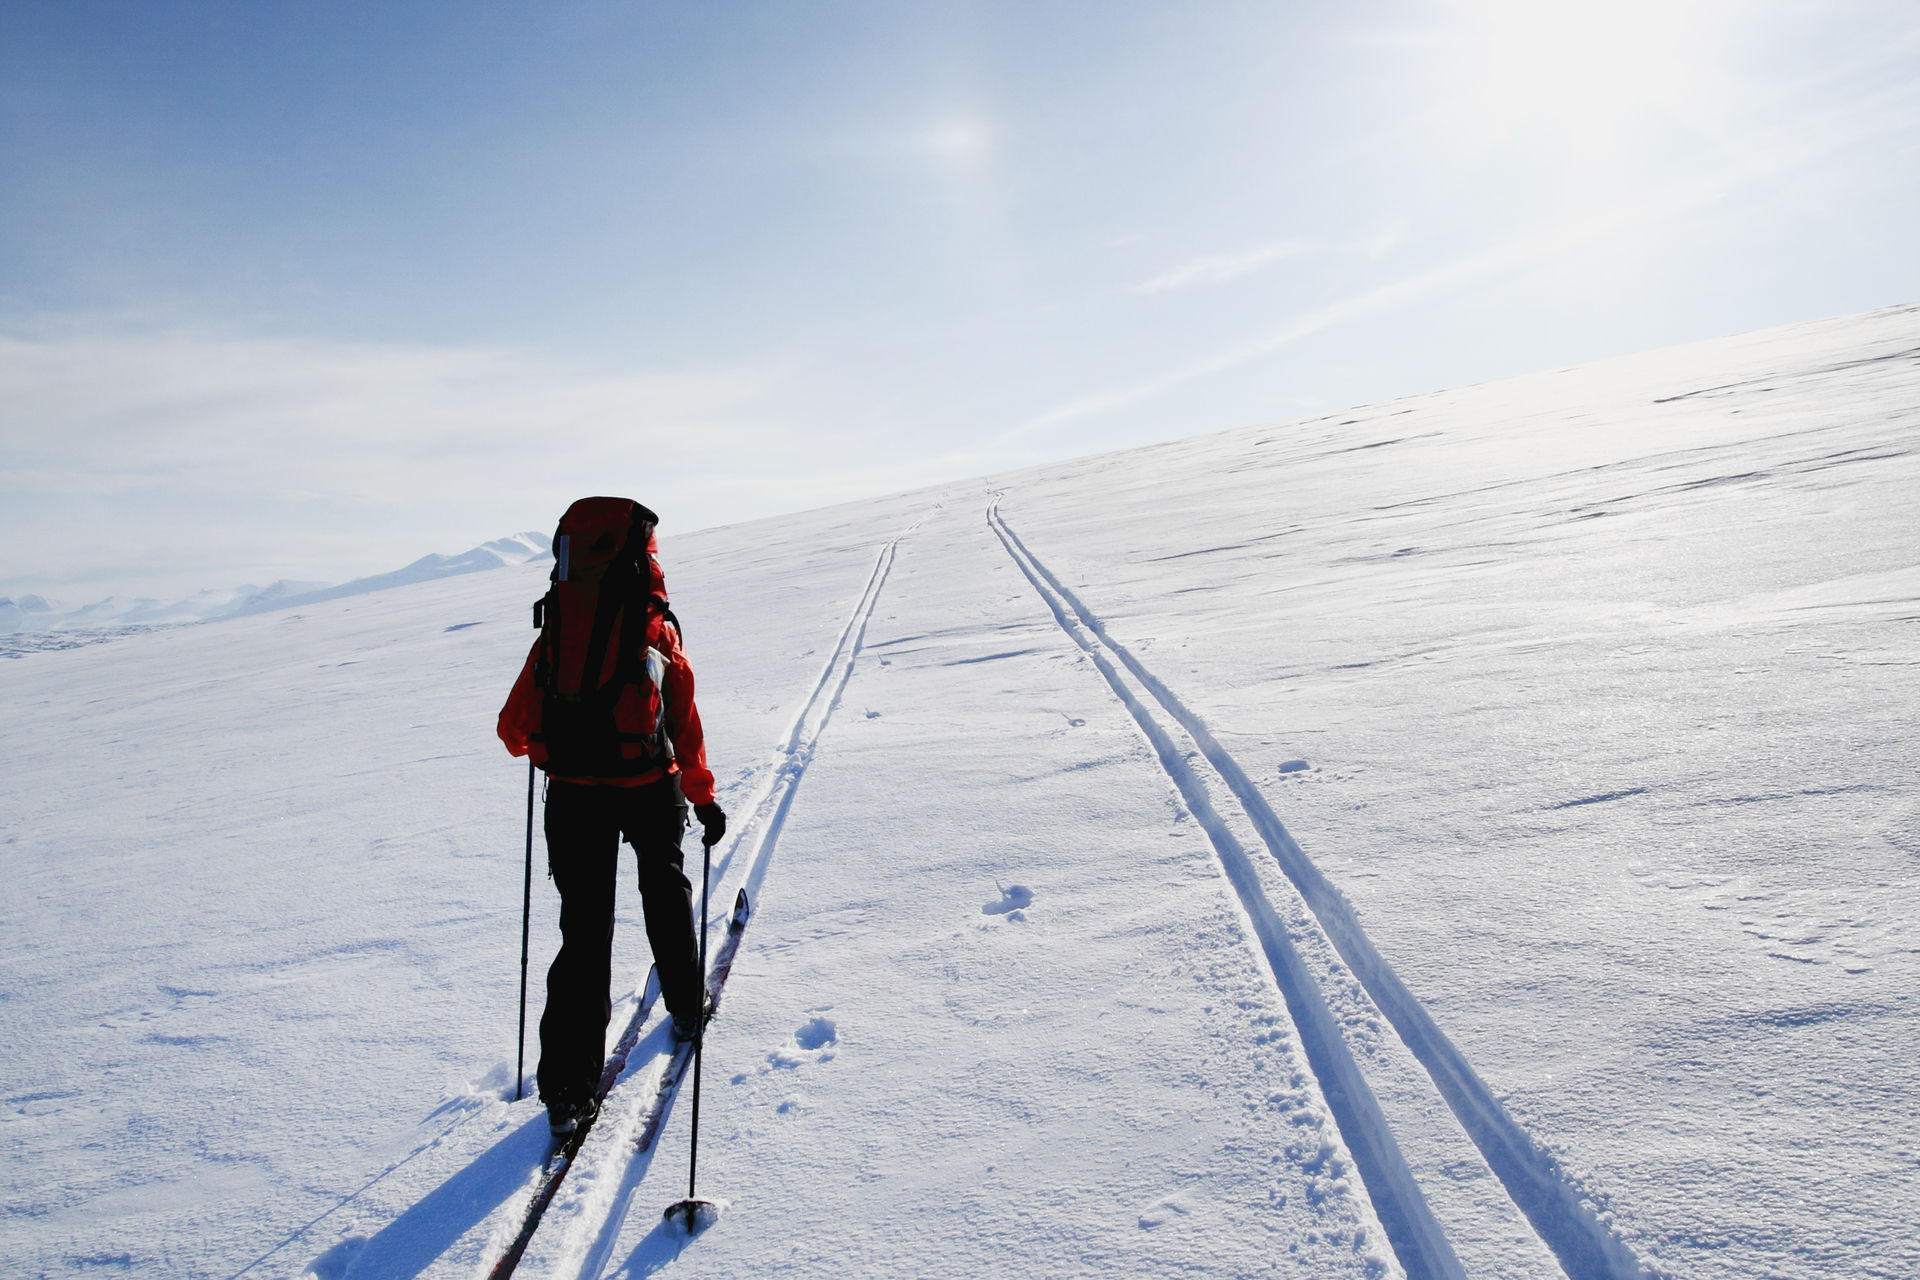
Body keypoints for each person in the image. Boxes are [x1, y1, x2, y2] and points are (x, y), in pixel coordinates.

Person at [497, 498, 726, 1139]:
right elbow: (683, 726)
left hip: (572, 795)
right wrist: (702, 797)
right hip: (649, 786)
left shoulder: (560, 630)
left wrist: (565, 733)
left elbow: (513, 731)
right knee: (664, 887)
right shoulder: (656, 629)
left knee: (584, 933)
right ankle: (685, 1007)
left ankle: (568, 1090)